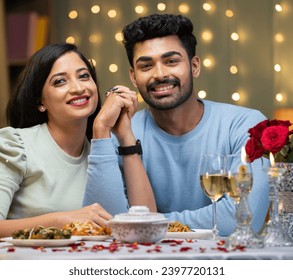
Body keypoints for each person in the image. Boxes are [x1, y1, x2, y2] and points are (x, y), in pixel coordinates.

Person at [83, 14, 270, 236]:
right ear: (133, 77)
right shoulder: (121, 133)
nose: (160, 74)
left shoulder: (246, 125)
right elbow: (106, 225)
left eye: (171, 61)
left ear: (194, 66)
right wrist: (101, 128)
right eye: (146, 66)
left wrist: (146, 224)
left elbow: (238, 220)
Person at [0, 42, 143, 257]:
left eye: (84, 76)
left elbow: (140, 220)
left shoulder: (102, 149)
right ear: (40, 101)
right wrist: (62, 219)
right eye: (60, 81)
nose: (78, 88)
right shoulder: (14, 144)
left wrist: (114, 132)